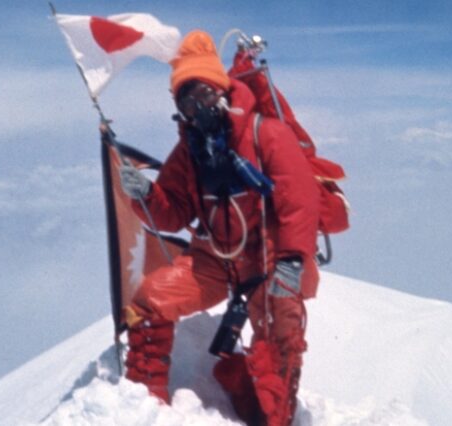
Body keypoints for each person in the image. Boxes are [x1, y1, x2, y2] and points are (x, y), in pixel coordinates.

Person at [115, 30, 320, 426]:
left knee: (281, 334)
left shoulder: (266, 134)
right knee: (150, 300)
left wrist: (292, 260)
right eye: (188, 101)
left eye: (205, 94)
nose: (198, 107)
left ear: (222, 90)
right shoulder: (189, 152)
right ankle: (141, 404)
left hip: (268, 259)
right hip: (214, 259)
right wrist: (144, 195)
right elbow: (172, 213)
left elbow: (300, 200)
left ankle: (277, 414)